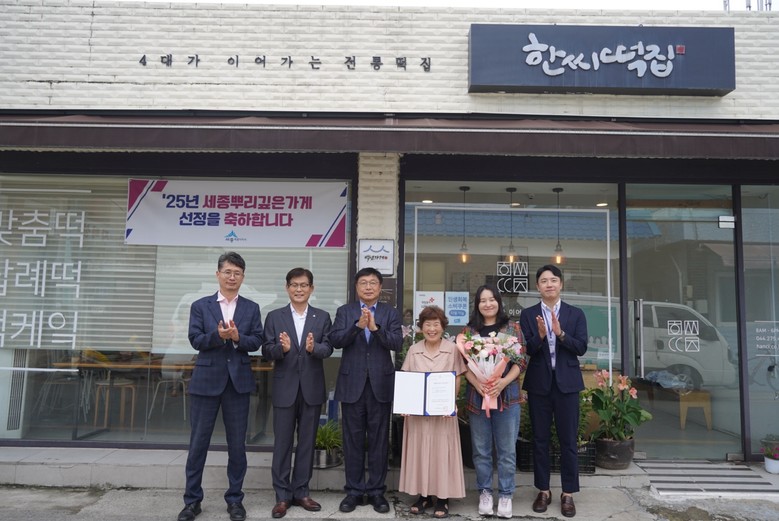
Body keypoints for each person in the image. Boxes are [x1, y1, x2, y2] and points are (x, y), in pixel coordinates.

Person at [177, 252, 264, 521]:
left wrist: (237, 337)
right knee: (198, 444)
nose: (232, 277)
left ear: (243, 277)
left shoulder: (251, 308)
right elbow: (195, 339)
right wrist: (218, 336)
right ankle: (192, 501)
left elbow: (257, 340)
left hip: (237, 384)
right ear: (218, 274)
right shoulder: (200, 305)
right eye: (227, 272)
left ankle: (235, 500)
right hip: (206, 383)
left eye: (237, 273)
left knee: (237, 446)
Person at [261, 268, 333, 519]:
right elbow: (266, 350)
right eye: (294, 285)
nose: (299, 289)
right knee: (282, 444)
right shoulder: (274, 316)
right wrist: (281, 349)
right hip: (285, 389)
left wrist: (314, 348)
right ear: (287, 288)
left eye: (303, 285)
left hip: (311, 389)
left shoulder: (322, 317)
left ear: (311, 288)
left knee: (306, 443)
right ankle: (282, 496)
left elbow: (328, 348)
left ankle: (301, 491)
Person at [329, 267, 403, 514]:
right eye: (363, 282)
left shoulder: (390, 313)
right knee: (352, 440)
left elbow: (397, 343)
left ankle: (376, 492)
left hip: (380, 385)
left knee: (380, 441)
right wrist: (357, 327)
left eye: (373, 283)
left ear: (380, 288)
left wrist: (375, 328)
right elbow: (336, 340)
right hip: (352, 384)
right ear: (356, 287)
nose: (368, 287)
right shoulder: (345, 312)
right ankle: (353, 491)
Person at [519, 264, 588, 519]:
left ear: (561, 284)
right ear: (537, 286)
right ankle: (544, 490)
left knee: (568, 440)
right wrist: (539, 336)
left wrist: (560, 334)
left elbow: (581, 347)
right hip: (539, 385)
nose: (549, 284)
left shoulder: (575, 314)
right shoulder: (528, 315)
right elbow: (527, 349)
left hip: (567, 385)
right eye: (544, 281)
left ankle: (568, 493)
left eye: (553, 280)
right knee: (540, 440)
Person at [461, 284, 525, 519]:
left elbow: (520, 362)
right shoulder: (470, 331)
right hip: (478, 398)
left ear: (499, 301)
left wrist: (503, 382)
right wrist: (478, 384)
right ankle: (485, 493)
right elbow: (463, 364)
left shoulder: (512, 328)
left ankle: (506, 495)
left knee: (507, 451)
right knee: (481, 451)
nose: (487, 304)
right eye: (482, 300)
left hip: (507, 398)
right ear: (477, 304)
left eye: (491, 299)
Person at [398, 306, 467, 520]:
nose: (432, 329)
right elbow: (407, 379)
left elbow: (457, 377)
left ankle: (443, 498)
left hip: (443, 414)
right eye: (427, 324)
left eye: (436, 324)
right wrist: (406, 404)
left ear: (443, 327)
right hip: (418, 416)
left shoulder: (452, 349)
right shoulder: (414, 350)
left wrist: (451, 402)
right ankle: (424, 496)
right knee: (420, 452)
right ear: (421, 328)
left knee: (442, 453)